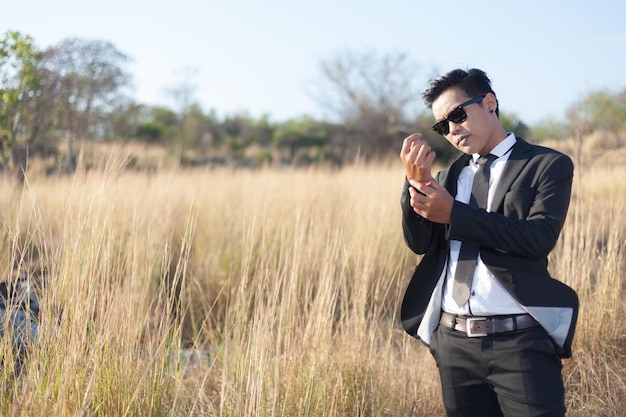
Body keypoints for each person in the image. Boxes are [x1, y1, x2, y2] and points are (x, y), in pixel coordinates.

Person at [399, 68, 578, 417]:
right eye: (442, 125)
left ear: (490, 103)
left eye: (457, 115)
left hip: (520, 342)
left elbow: (538, 238)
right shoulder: (449, 176)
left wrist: (455, 214)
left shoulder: (546, 165)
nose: (452, 129)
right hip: (454, 343)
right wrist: (415, 183)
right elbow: (420, 243)